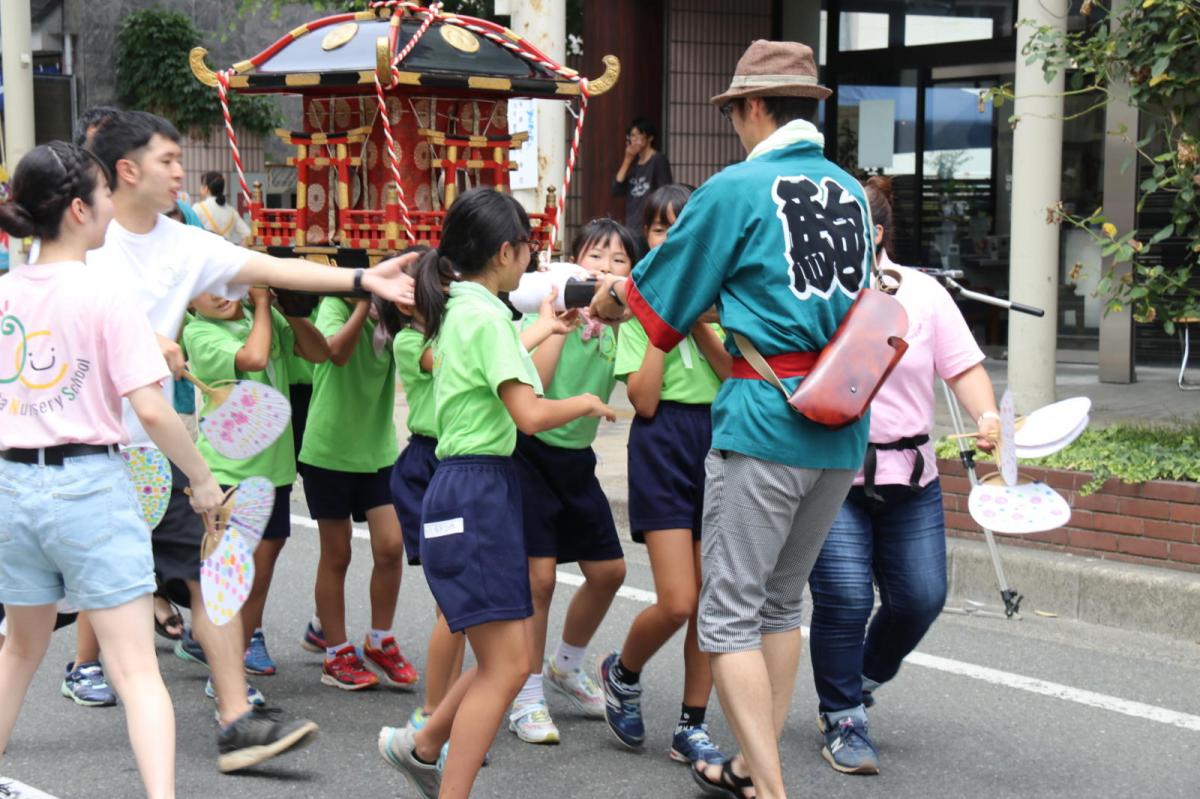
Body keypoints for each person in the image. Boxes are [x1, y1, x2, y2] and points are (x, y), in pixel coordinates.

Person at [85, 108, 415, 772]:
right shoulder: (86, 237)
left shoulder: (185, 242)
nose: (182, 172)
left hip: (148, 452)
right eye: (169, 161)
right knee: (32, 624)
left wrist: (360, 279)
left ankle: (236, 719)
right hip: (84, 453)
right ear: (127, 170)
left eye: (181, 161)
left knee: (210, 580)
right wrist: (145, 341)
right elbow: (60, 307)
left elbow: (275, 267)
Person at [590, 41, 874, 799]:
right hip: (841, 426)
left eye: (734, 112)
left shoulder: (737, 188)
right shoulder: (849, 192)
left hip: (763, 422)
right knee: (784, 603)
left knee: (730, 614)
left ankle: (769, 788)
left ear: (752, 107)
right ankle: (751, 764)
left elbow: (655, 306)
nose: (733, 127)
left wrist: (599, 298)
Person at [0, 140, 224, 799]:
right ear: (78, 208)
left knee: (19, 644)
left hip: (13, 490)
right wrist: (202, 477)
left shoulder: (6, 291)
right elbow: (152, 409)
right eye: (101, 196)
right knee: (134, 671)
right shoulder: (106, 294)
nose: (108, 208)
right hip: (89, 488)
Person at [377, 188, 615, 799]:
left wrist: (540, 329)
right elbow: (529, 413)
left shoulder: (466, 308)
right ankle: (434, 765)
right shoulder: (483, 315)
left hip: (472, 487)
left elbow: (503, 366)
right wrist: (586, 403)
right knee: (506, 665)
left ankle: (424, 744)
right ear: (506, 252)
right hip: (477, 490)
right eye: (529, 251)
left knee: (500, 661)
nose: (532, 263)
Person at [806, 176, 999, 775]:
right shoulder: (812, 287)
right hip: (833, 469)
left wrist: (988, 415)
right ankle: (842, 716)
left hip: (910, 472)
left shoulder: (924, 293)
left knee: (921, 597)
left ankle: (858, 677)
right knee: (843, 597)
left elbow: (962, 366)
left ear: (875, 233)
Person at [604, 184, 732, 769]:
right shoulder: (633, 309)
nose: (671, 238)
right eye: (659, 229)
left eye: (683, 228)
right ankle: (623, 672)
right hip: (661, 446)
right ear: (646, 238)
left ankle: (692, 724)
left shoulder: (721, 304)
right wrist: (661, 317)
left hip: (717, 441)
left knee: (710, 602)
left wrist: (697, 316)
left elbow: (734, 375)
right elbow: (646, 402)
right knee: (679, 600)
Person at [508, 218, 634, 745]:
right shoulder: (549, 307)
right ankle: (527, 693)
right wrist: (562, 314)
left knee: (609, 570)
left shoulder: (623, 325)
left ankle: (566, 666)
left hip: (577, 460)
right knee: (537, 582)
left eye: (618, 261)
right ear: (571, 262)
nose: (605, 269)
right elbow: (534, 382)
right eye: (595, 257)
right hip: (531, 455)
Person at [183, 287, 331, 678]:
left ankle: (237, 653)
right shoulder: (198, 334)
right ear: (189, 301)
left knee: (259, 575)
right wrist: (264, 304)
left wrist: (292, 309)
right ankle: (223, 669)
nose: (219, 296)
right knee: (232, 578)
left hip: (274, 471)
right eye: (205, 290)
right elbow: (254, 357)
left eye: (225, 285)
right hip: (229, 473)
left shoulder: (260, 317)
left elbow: (318, 354)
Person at [297, 292, 418, 692]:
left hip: (378, 450)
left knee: (390, 546)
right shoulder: (335, 304)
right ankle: (336, 653)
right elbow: (337, 353)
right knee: (338, 553)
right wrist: (364, 304)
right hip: (328, 450)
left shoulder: (402, 317)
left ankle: (380, 639)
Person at [612, 117, 673, 233]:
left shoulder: (658, 160)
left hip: (650, 223)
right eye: (632, 136)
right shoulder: (634, 165)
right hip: (632, 224)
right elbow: (617, 189)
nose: (634, 139)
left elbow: (665, 192)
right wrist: (627, 159)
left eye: (638, 135)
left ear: (650, 137)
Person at [192, 171, 251, 245]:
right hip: (226, 255)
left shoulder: (198, 208)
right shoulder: (232, 212)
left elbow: (189, 232)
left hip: (205, 254)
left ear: (206, 188)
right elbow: (248, 235)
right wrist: (238, 248)